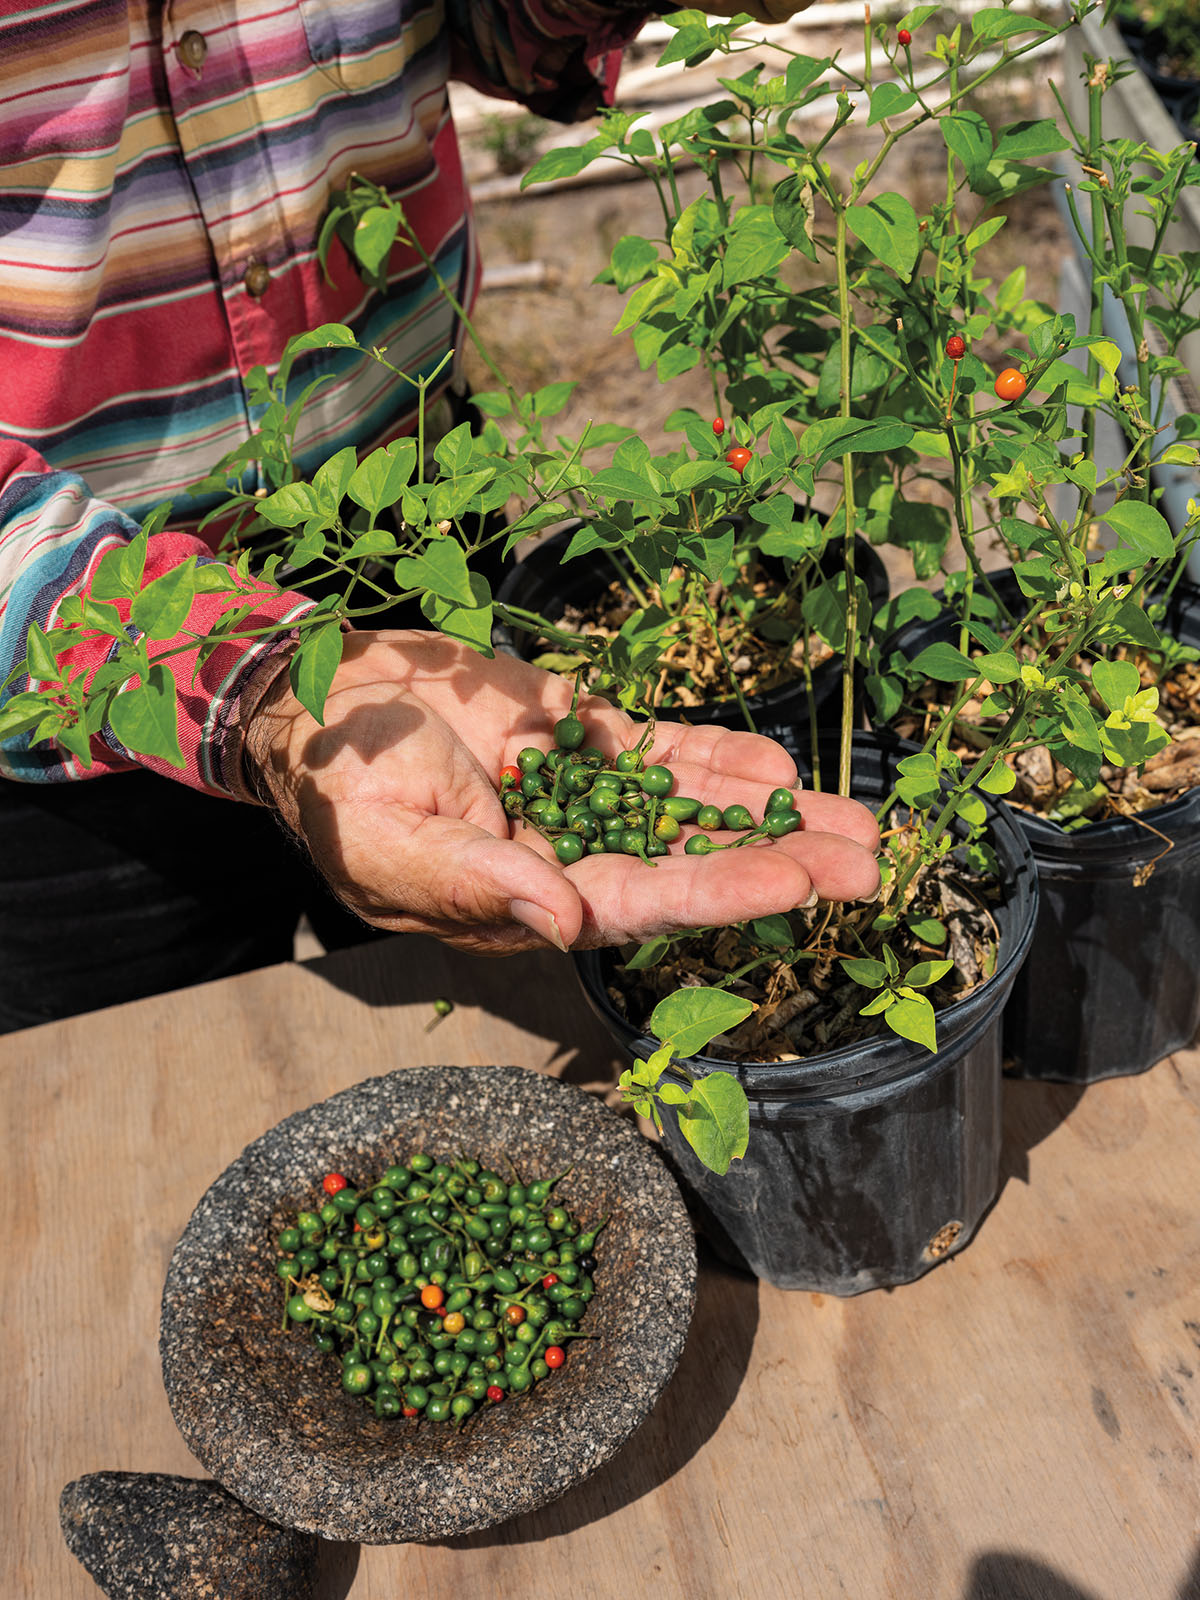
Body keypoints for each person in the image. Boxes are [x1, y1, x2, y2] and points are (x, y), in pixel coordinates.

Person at [0, 0, 876, 1035]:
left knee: (493, 1010)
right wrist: (256, 681)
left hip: (412, 552)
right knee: (166, 1090)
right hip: (68, 665)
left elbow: (493, 25)